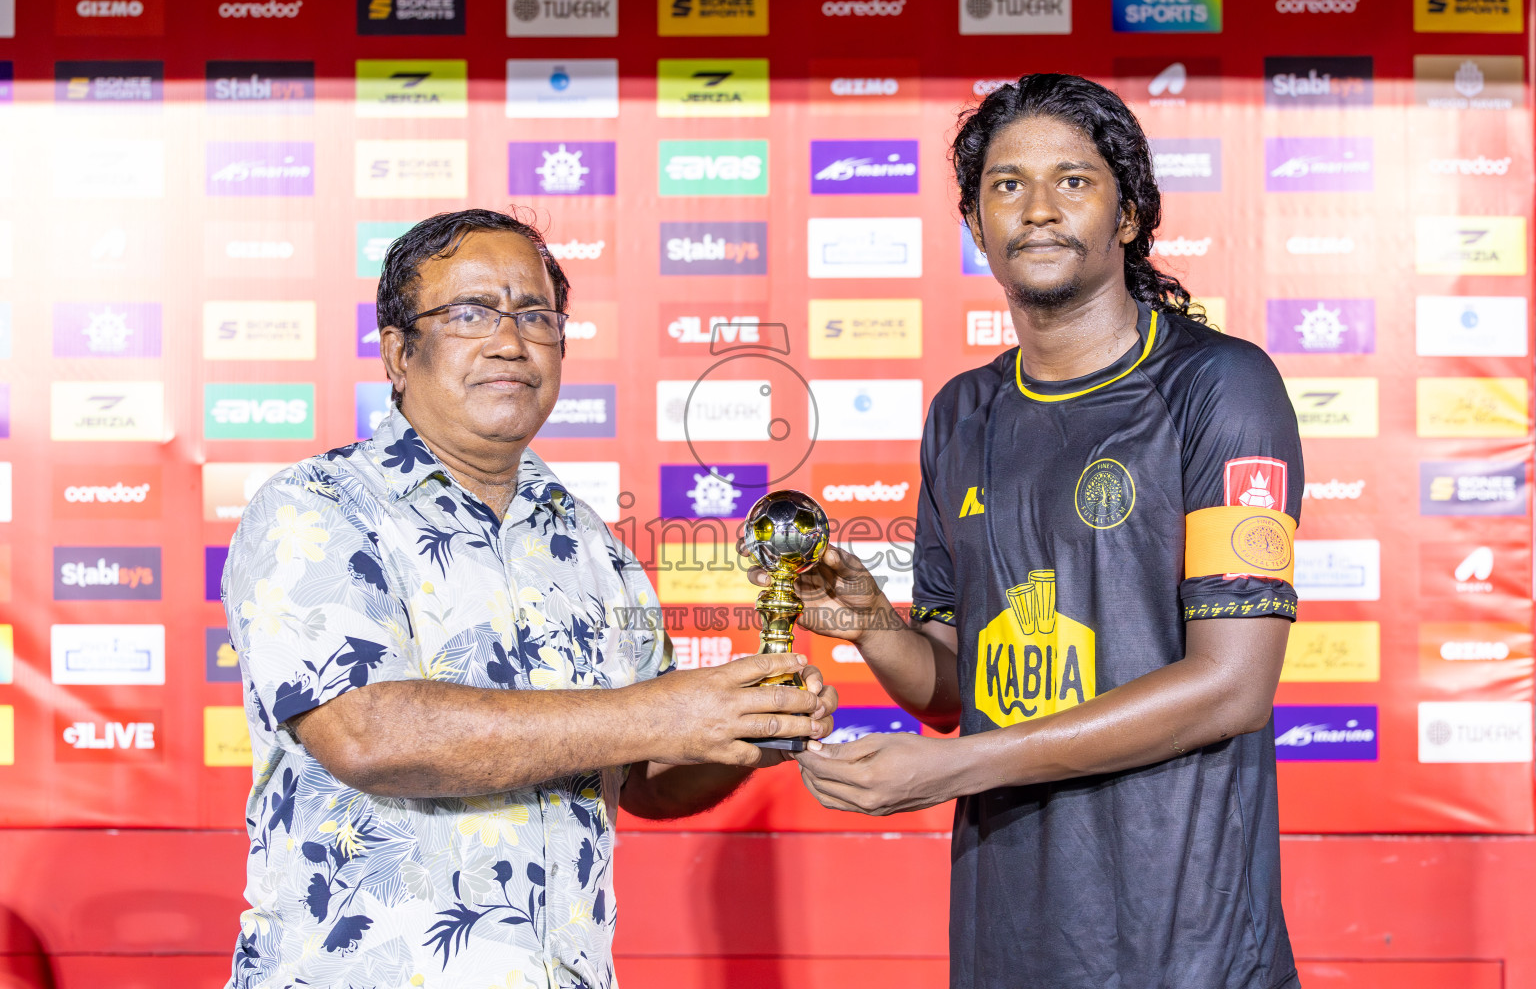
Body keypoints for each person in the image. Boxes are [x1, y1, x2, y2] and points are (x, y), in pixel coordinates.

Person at [770, 74, 1304, 988]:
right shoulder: (963, 413)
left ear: (1129, 214)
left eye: (1074, 180)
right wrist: (871, 625)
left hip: (1185, 936)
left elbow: (1231, 688)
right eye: (1007, 186)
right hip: (1005, 930)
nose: (1039, 210)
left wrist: (953, 771)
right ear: (977, 226)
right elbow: (952, 691)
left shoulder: (1220, 386)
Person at [220, 208, 836, 989]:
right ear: (399, 352)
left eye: (535, 315)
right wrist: (668, 711)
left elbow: (644, 776)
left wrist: (747, 728)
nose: (510, 341)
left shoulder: (591, 546)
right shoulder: (318, 506)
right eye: (470, 312)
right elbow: (368, 733)